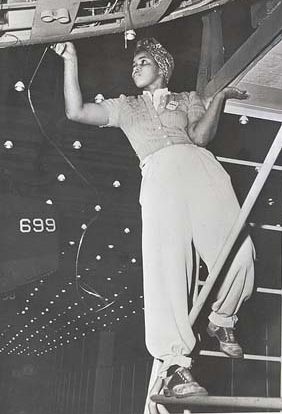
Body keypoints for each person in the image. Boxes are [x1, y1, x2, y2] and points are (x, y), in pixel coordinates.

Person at [52, 38, 255, 398]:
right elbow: (76, 112)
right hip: (160, 176)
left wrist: (218, 99)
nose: (135, 67)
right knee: (168, 269)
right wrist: (71, 59)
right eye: (133, 64)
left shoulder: (188, 99)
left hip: (201, 168)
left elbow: (200, 136)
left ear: (162, 67)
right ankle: (176, 365)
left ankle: (223, 319)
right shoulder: (124, 106)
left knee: (240, 252)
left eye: (142, 61)